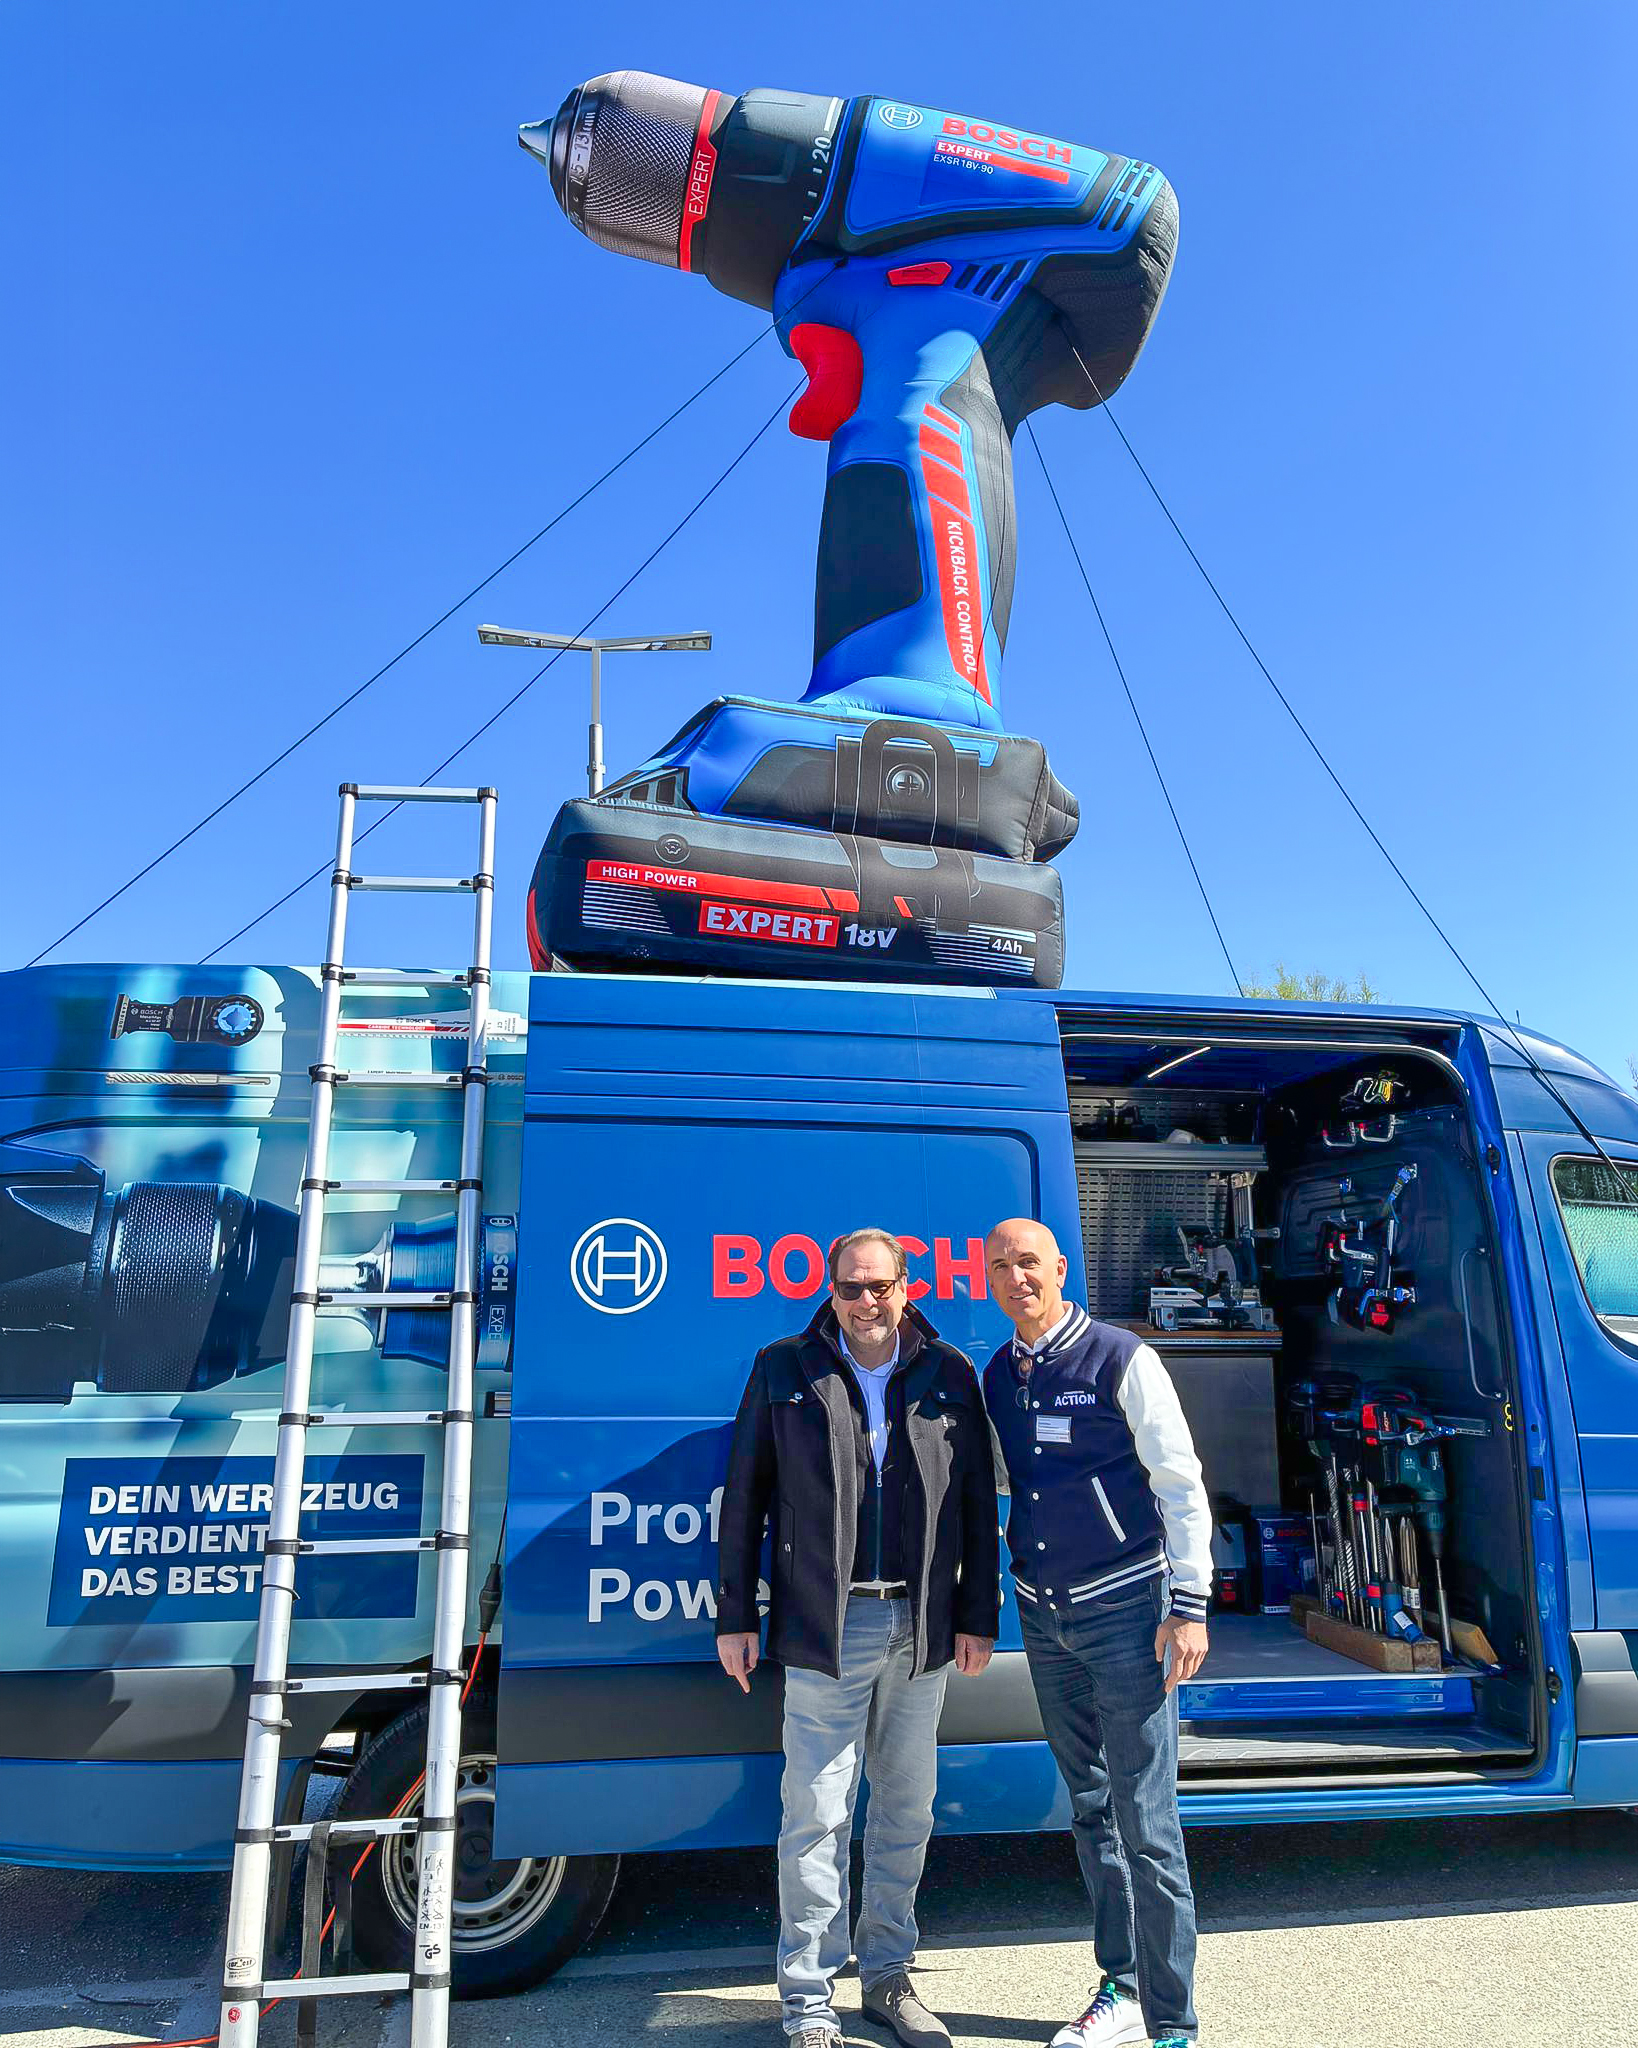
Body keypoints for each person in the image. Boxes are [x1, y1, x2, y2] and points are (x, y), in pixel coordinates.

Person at [716, 1226, 1000, 2048]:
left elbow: (977, 1502)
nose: (866, 1301)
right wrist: (736, 1615)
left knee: (906, 1810)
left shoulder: (949, 1372)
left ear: (907, 1288)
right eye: (851, 1287)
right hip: (826, 1624)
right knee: (815, 1814)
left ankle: (887, 1977)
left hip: (920, 1624)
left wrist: (977, 1616)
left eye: (880, 1286)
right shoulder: (786, 1367)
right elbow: (744, 1495)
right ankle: (808, 2003)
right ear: (831, 1290)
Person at [981, 1216, 1212, 2048]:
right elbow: (1009, 1483)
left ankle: (1172, 2022)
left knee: (1146, 1820)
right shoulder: (998, 1374)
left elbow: (1179, 1480)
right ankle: (1121, 1987)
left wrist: (1190, 1603)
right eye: (1001, 1267)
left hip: (1126, 1613)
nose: (1017, 1278)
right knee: (1089, 1809)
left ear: (1060, 1269)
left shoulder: (1120, 1358)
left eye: (1029, 1263)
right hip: (1044, 1615)